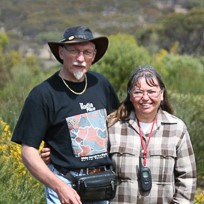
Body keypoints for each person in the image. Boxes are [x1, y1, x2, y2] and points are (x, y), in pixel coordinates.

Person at [11, 25, 119, 204]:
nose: (80, 58)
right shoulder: (43, 94)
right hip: (65, 185)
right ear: (61, 52)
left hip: (102, 185)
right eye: (74, 51)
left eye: (87, 52)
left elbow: (117, 123)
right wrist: (60, 187)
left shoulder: (101, 84)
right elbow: (28, 151)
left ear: (94, 55)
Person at [108, 65, 197, 203]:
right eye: (138, 92)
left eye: (151, 91)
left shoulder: (177, 129)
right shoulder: (113, 126)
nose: (145, 98)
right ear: (130, 95)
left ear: (162, 94)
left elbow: (187, 178)